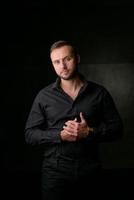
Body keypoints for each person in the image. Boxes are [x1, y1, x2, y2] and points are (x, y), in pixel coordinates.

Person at [24, 40, 123, 200]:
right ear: (53, 65)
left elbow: (117, 129)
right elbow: (29, 134)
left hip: (90, 169)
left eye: (67, 59)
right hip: (55, 172)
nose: (62, 66)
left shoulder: (99, 93)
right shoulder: (44, 96)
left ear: (77, 58)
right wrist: (60, 136)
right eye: (57, 62)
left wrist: (89, 132)